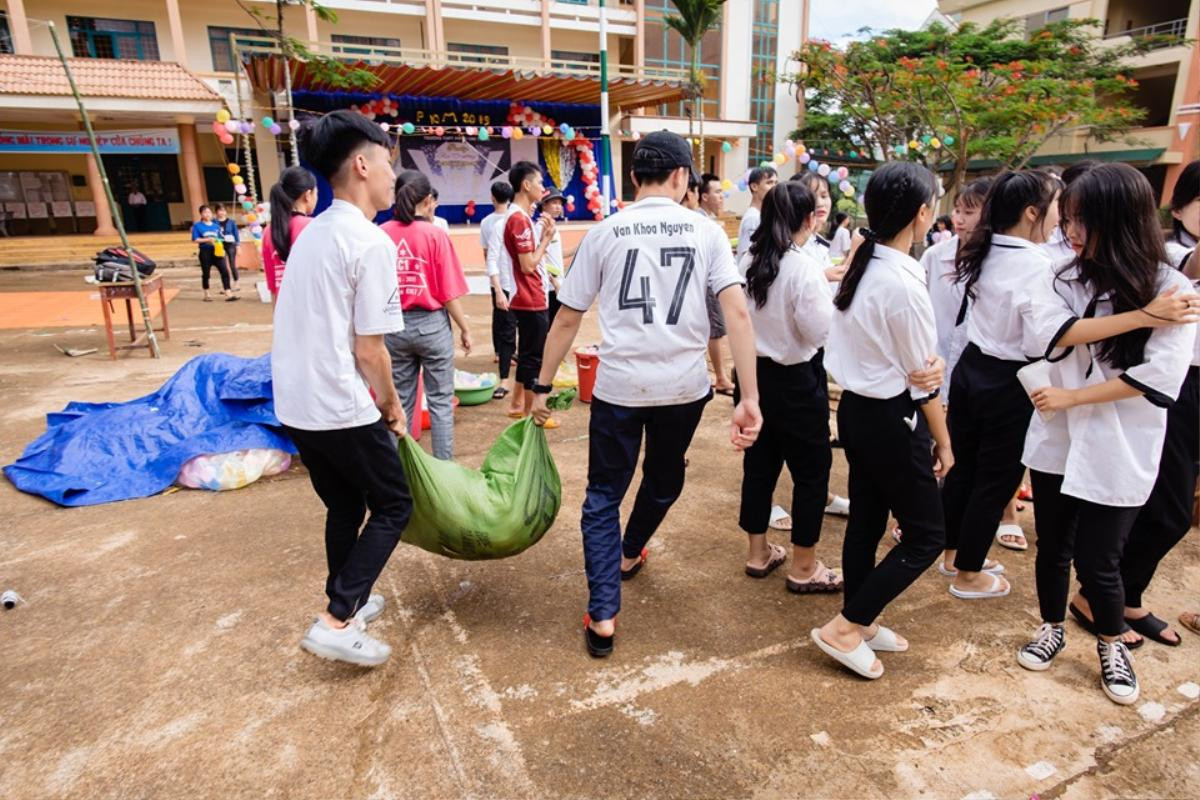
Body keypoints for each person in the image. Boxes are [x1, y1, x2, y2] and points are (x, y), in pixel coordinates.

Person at [530, 130, 763, 658]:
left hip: (619, 388)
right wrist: (749, 396)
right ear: (684, 179)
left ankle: (605, 612)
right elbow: (737, 312)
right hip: (683, 388)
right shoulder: (706, 232)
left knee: (602, 496)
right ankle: (631, 549)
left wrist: (541, 385)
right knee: (664, 477)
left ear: (636, 177)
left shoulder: (605, 231)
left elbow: (567, 317)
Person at [1017, 163, 1198, 704]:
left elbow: (1157, 378)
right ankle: (1051, 627)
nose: (1068, 231)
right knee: (1053, 546)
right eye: (1066, 218)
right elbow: (1054, 332)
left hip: (1121, 439)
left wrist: (1074, 397)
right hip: (1059, 436)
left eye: (1079, 220)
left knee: (1102, 558)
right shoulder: (1063, 275)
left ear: (1116, 220)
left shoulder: (1173, 286)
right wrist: (1144, 317)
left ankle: (1111, 641)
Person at [272, 110, 412, 667]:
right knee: (394, 503)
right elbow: (368, 350)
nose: (392, 176)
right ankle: (334, 621)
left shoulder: (312, 234)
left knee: (344, 504)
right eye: (386, 163)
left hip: (298, 402)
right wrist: (394, 406)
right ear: (361, 164)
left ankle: (347, 601)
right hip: (340, 403)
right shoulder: (367, 242)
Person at [813, 161, 951, 681]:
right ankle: (846, 626)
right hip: (892, 417)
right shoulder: (897, 280)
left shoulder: (863, 265)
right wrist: (944, 441)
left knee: (868, 520)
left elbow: (918, 368)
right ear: (922, 214)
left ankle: (862, 621)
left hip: (858, 411)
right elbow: (924, 380)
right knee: (925, 535)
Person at [1069, 159, 1200, 647]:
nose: (1073, 232)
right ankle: (1108, 599)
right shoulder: (1162, 266)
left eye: (1083, 220)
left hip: (1163, 392)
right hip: (1169, 389)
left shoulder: (1164, 277)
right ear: (1180, 207)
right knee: (1158, 508)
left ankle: (1119, 597)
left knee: (1156, 508)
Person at [939, 171, 1063, 601]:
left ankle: (952, 553)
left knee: (965, 469)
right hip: (1011, 378)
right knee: (995, 479)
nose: (1059, 218)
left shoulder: (982, 248)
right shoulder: (1041, 265)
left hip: (973, 368)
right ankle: (968, 573)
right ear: (1032, 212)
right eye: (1056, 207)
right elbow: (1038, 339)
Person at [737, 180, 843, 593]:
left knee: (759, 466)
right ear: (806, 218)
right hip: (797, 380)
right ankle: (803, 567)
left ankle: (757, 553)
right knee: (812, 473)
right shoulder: (803, 268)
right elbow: (819, 332)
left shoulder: (748, 258)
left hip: (756, 377)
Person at [380, 170, 473, 460]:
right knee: (440, 403)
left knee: (399, 404)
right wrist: (464, 328)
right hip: (432, 326)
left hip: (393, 326)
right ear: (428, 200)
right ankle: (443, 473)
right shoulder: (435, 235)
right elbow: (447, 292)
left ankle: (397, 475)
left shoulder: (381, 234)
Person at [504, 160, 559, 426]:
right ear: (526, 186)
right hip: (530, 298)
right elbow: (527, 265)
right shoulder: (519, 220)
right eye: (539, 183)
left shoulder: (520, 217)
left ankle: (523, 409)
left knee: (528, 355)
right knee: (533, 358)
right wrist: (547, 239)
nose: (542, 188)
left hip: (529, 296)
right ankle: (531, 415)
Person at [482, 180, 518, 399]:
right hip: (504, 283)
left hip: (510, 285)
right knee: (507, 328)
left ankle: (504, 356)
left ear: (493, 197)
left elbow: (487, 255)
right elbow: (492, 256)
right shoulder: (498, 225)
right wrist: (497, 284)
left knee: (505, 325)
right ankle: (504, 376)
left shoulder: (489, 222)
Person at [261, 165, 318, 301]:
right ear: (308, 195)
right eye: (317, 193)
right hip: (314, 312)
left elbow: (273, 288)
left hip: (286, 315)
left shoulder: (269, 231)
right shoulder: (314, 227)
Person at [191, 204, 235, 302]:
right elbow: (195, 239)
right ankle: (207, 293)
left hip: (217, 251)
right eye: (205, 212)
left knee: (224, 270)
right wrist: (207, 239)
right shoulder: (197, 226)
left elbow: (219, 238)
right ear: (201, 214)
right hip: (205, 251)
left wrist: (222, 248)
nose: (207, 214)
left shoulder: (216, 226)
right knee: (206, 273)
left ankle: (228, 292)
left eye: (209, 212)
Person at [736, 166, 778, 261]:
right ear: (754, 186)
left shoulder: (761, 216)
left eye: (776, 183)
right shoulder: (753, 218)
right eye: (769, 182)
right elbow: (747, 257)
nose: (774, 187)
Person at [540, 190, 566, 324]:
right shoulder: (542, 227)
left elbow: (556, 255)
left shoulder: (552, 227)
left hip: (557, 284)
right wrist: (554, 279)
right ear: (544, 205)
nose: (558, 207)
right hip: (550, 287)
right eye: (554, 203)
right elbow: (540, 257)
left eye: (560, 204)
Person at [214, 204, 241, 293]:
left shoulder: (231, 222)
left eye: (223, 210)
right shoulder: (214, 222)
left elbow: (236, 234)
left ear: (226, 212)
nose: (221, 212)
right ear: (216, 212)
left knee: (232, 264)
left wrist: (238, 245)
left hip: (230, 244)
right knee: (223, 266)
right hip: (219, 244)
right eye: (219, 210)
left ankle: (236, 283)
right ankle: (226, 286)